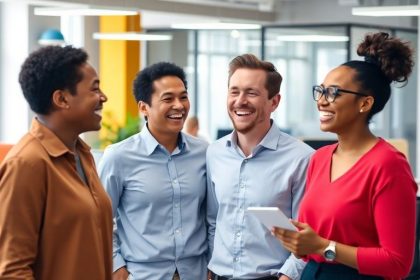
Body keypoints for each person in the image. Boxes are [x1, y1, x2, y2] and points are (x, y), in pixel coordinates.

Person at [273, 32, 417, 280]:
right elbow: (313, 239)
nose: (321, 101)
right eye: (320, 91)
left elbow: (397, 263)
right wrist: (299, 242)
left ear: (365, 103)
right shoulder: (319, 158)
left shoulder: (388, 164)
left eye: (333, 93)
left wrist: (321, 247)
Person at [0, 46, 112, 279]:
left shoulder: (82, 154)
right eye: (94, 89)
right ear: (61, 99)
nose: (103, 97)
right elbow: (12, 270)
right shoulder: (27, 163)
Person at [206, 54, 314, 280]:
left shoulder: (302, 159)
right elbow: (214, 220)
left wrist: (287, 277)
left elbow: (309, 236)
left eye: (251, 93)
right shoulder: (214, 153)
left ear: (274, 102)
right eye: (234, 91)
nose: (240, 101)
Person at [98, 62, 208, 280]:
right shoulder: (119, 157)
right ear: (143, 107)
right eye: (168, 99)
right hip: (143, 275)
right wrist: (116, 268)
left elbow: (211, 217)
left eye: (183, 97)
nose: (179, 105)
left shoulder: (204, 153)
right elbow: (98, 221)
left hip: (195, 273)